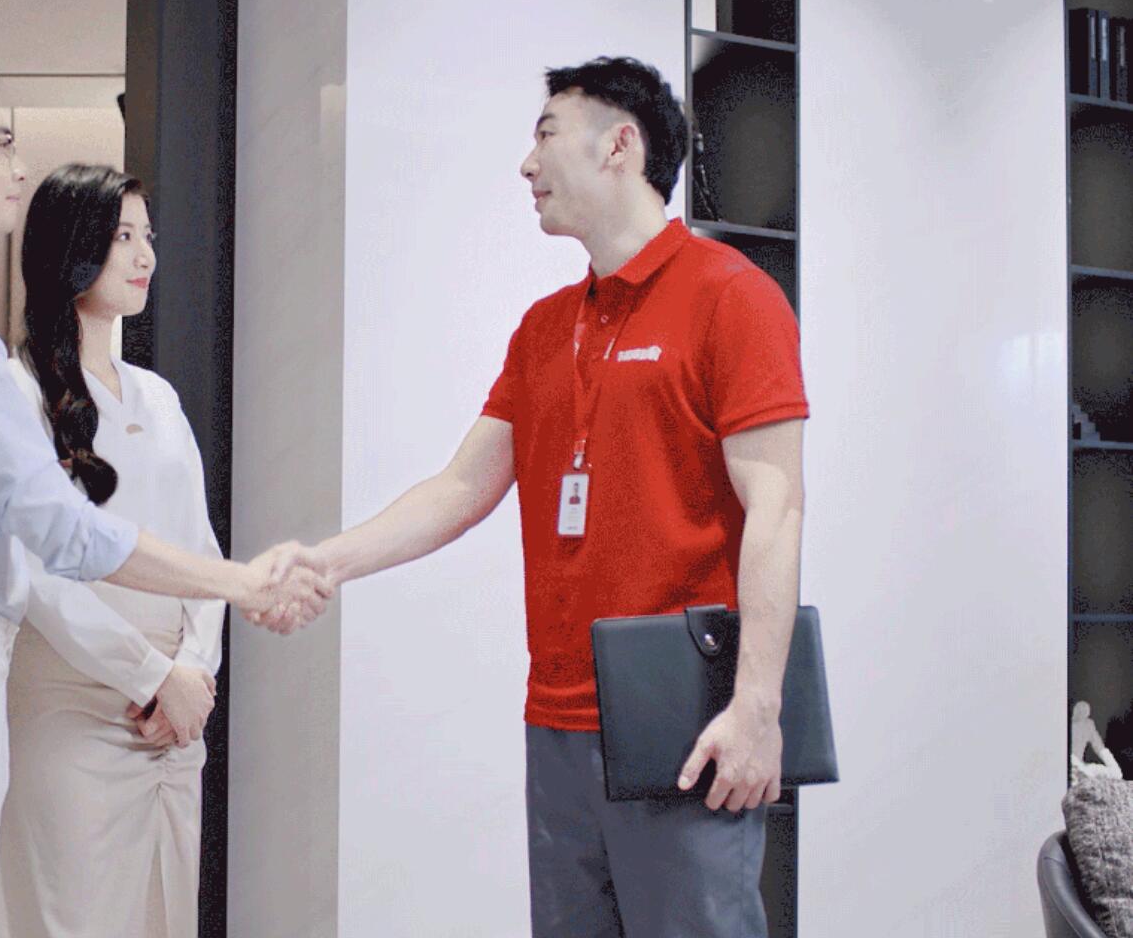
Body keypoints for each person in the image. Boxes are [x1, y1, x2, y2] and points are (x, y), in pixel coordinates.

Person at [271, 56, 808, 937]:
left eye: (546, 134)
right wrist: (323, 562)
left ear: (619, 146)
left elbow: (776, 508)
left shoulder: (731, 298)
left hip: (684, 717)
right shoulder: (545, 327)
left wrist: (756, 708)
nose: (527, 164)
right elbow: (460, 487)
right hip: (556, 717)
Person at [0, 57, 327, 938]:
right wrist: (243, 585)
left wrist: (197, 647)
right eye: (0, 143)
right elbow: (55, 531)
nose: (18, 166)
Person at [0, 163, 222, 938]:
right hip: (70, 698)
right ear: (71, 247)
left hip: (172, 715)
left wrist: (193, 673)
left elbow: (200, 552)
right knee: (70, 915)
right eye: (122, 236)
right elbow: (34, 571)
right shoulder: (13, 390)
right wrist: (151, 675)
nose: (144, 255)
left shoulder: (158, 397)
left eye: (147, 236)